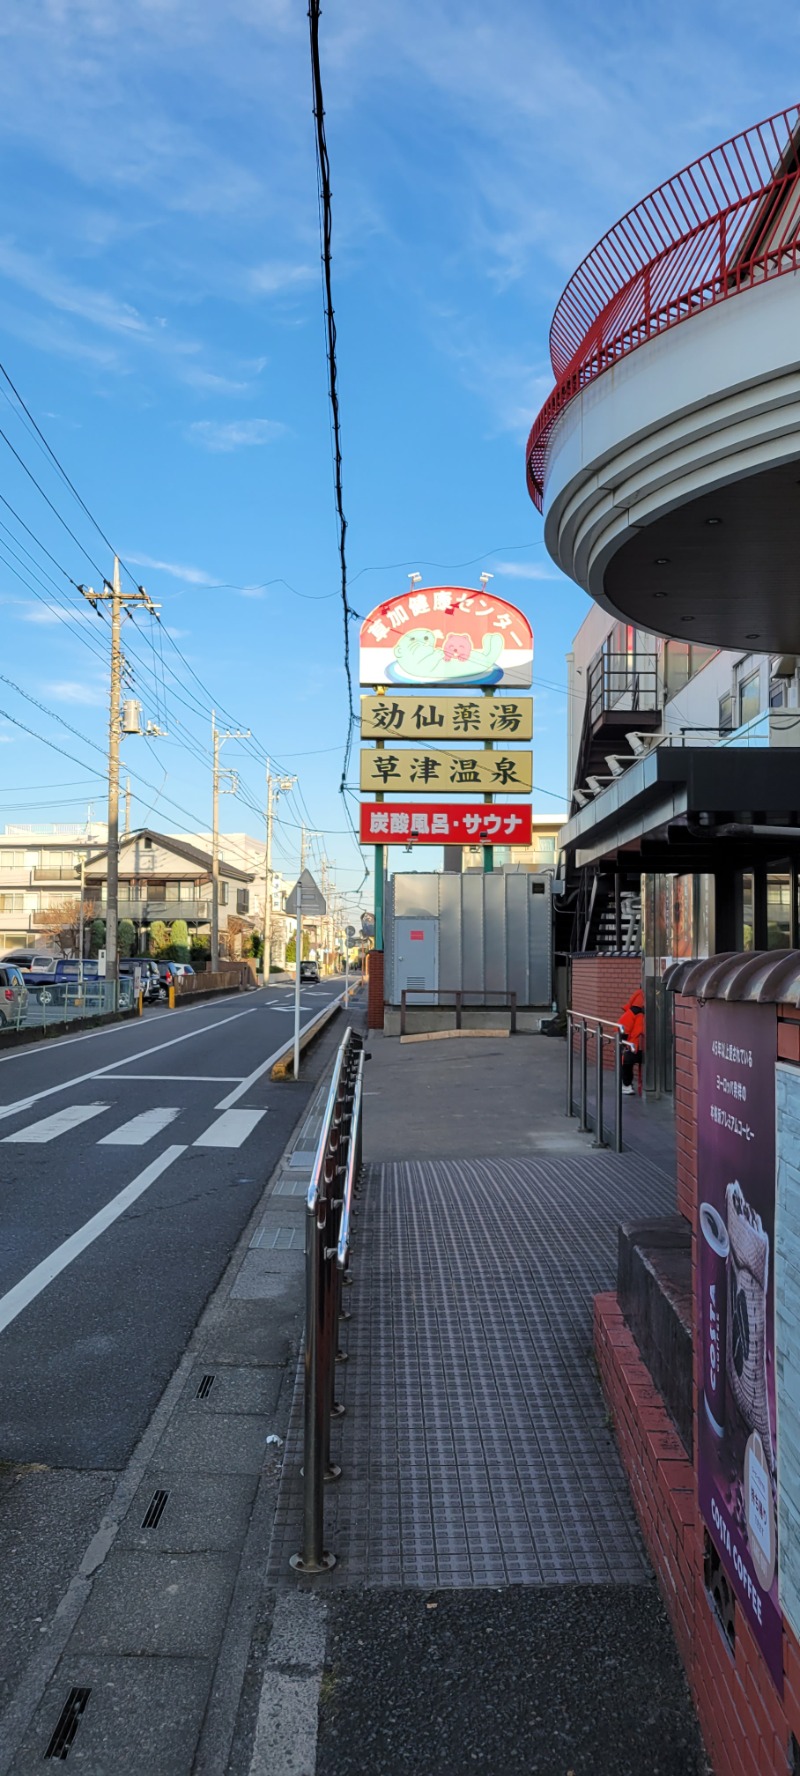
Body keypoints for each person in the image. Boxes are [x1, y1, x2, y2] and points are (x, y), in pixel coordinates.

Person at [618, 985, 644, 1095]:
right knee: (627, 1062)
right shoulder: (635, 1012)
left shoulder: (633, 1012)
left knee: (626, 1062)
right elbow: (623, 1029)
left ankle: (627, 1084)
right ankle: (627, 1084)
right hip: (635, 1044)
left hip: (635, 1044)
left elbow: (623, 1028)